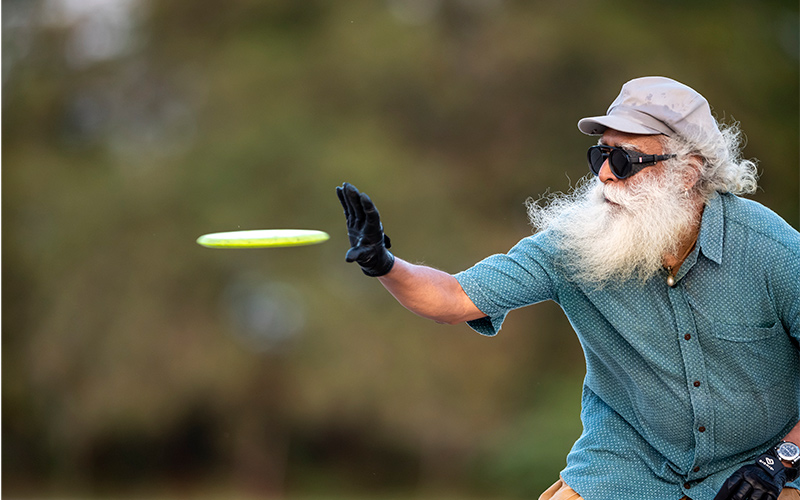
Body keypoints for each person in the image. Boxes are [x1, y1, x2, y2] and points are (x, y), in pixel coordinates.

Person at [335, 76, 800, 500]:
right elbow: (453, 298)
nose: (604, 175)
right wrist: (386, 264)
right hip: (623, 471)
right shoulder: (573, 244)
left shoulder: (773, 251)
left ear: (688, 172)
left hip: (759, 474)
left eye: (625, 160)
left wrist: (782, 461)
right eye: (601, 155)